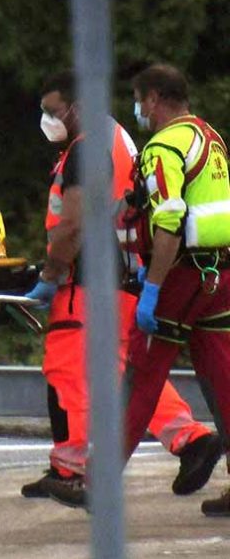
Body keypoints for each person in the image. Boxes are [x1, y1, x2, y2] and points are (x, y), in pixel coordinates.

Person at [21, 71, 219, 505]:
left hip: (90, 278)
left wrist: (52, 275)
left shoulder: (87, 148)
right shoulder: (117, 137)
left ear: (76, 107)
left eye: (54, 111)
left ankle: (80, 471)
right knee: (125, 371)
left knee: (69, 370)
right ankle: (188, 439)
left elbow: (73, 224)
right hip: (126, 273)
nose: (48, 120)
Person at [111, 64, 230, 516]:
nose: (139, 109)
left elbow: (169, 222)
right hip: (218, 274)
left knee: (142, 373)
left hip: (180, 274)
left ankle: (98, 479)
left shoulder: (163, 145)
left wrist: (153, 286)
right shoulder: (209, 137)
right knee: (224, 377)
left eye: (140, 100)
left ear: (156, 98)